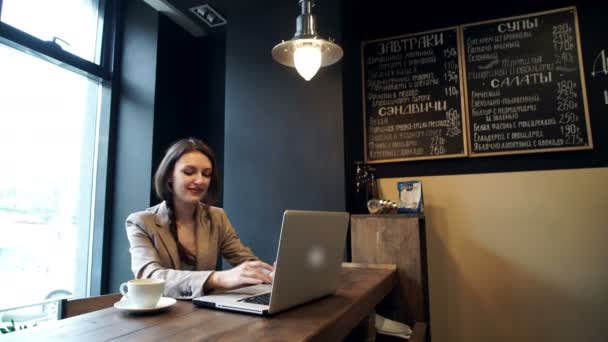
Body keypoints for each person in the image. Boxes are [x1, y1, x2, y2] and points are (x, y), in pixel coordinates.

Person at [125, 138, 273, 299]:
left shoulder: (217, 217)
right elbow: (149, 277)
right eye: (189, 172)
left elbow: (245, 262)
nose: (200, 180)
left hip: (202, 314)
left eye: (206, 174)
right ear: (169, 176)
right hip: (156, 317)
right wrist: (216, 278)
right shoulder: (141, 222)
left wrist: (272, 274)